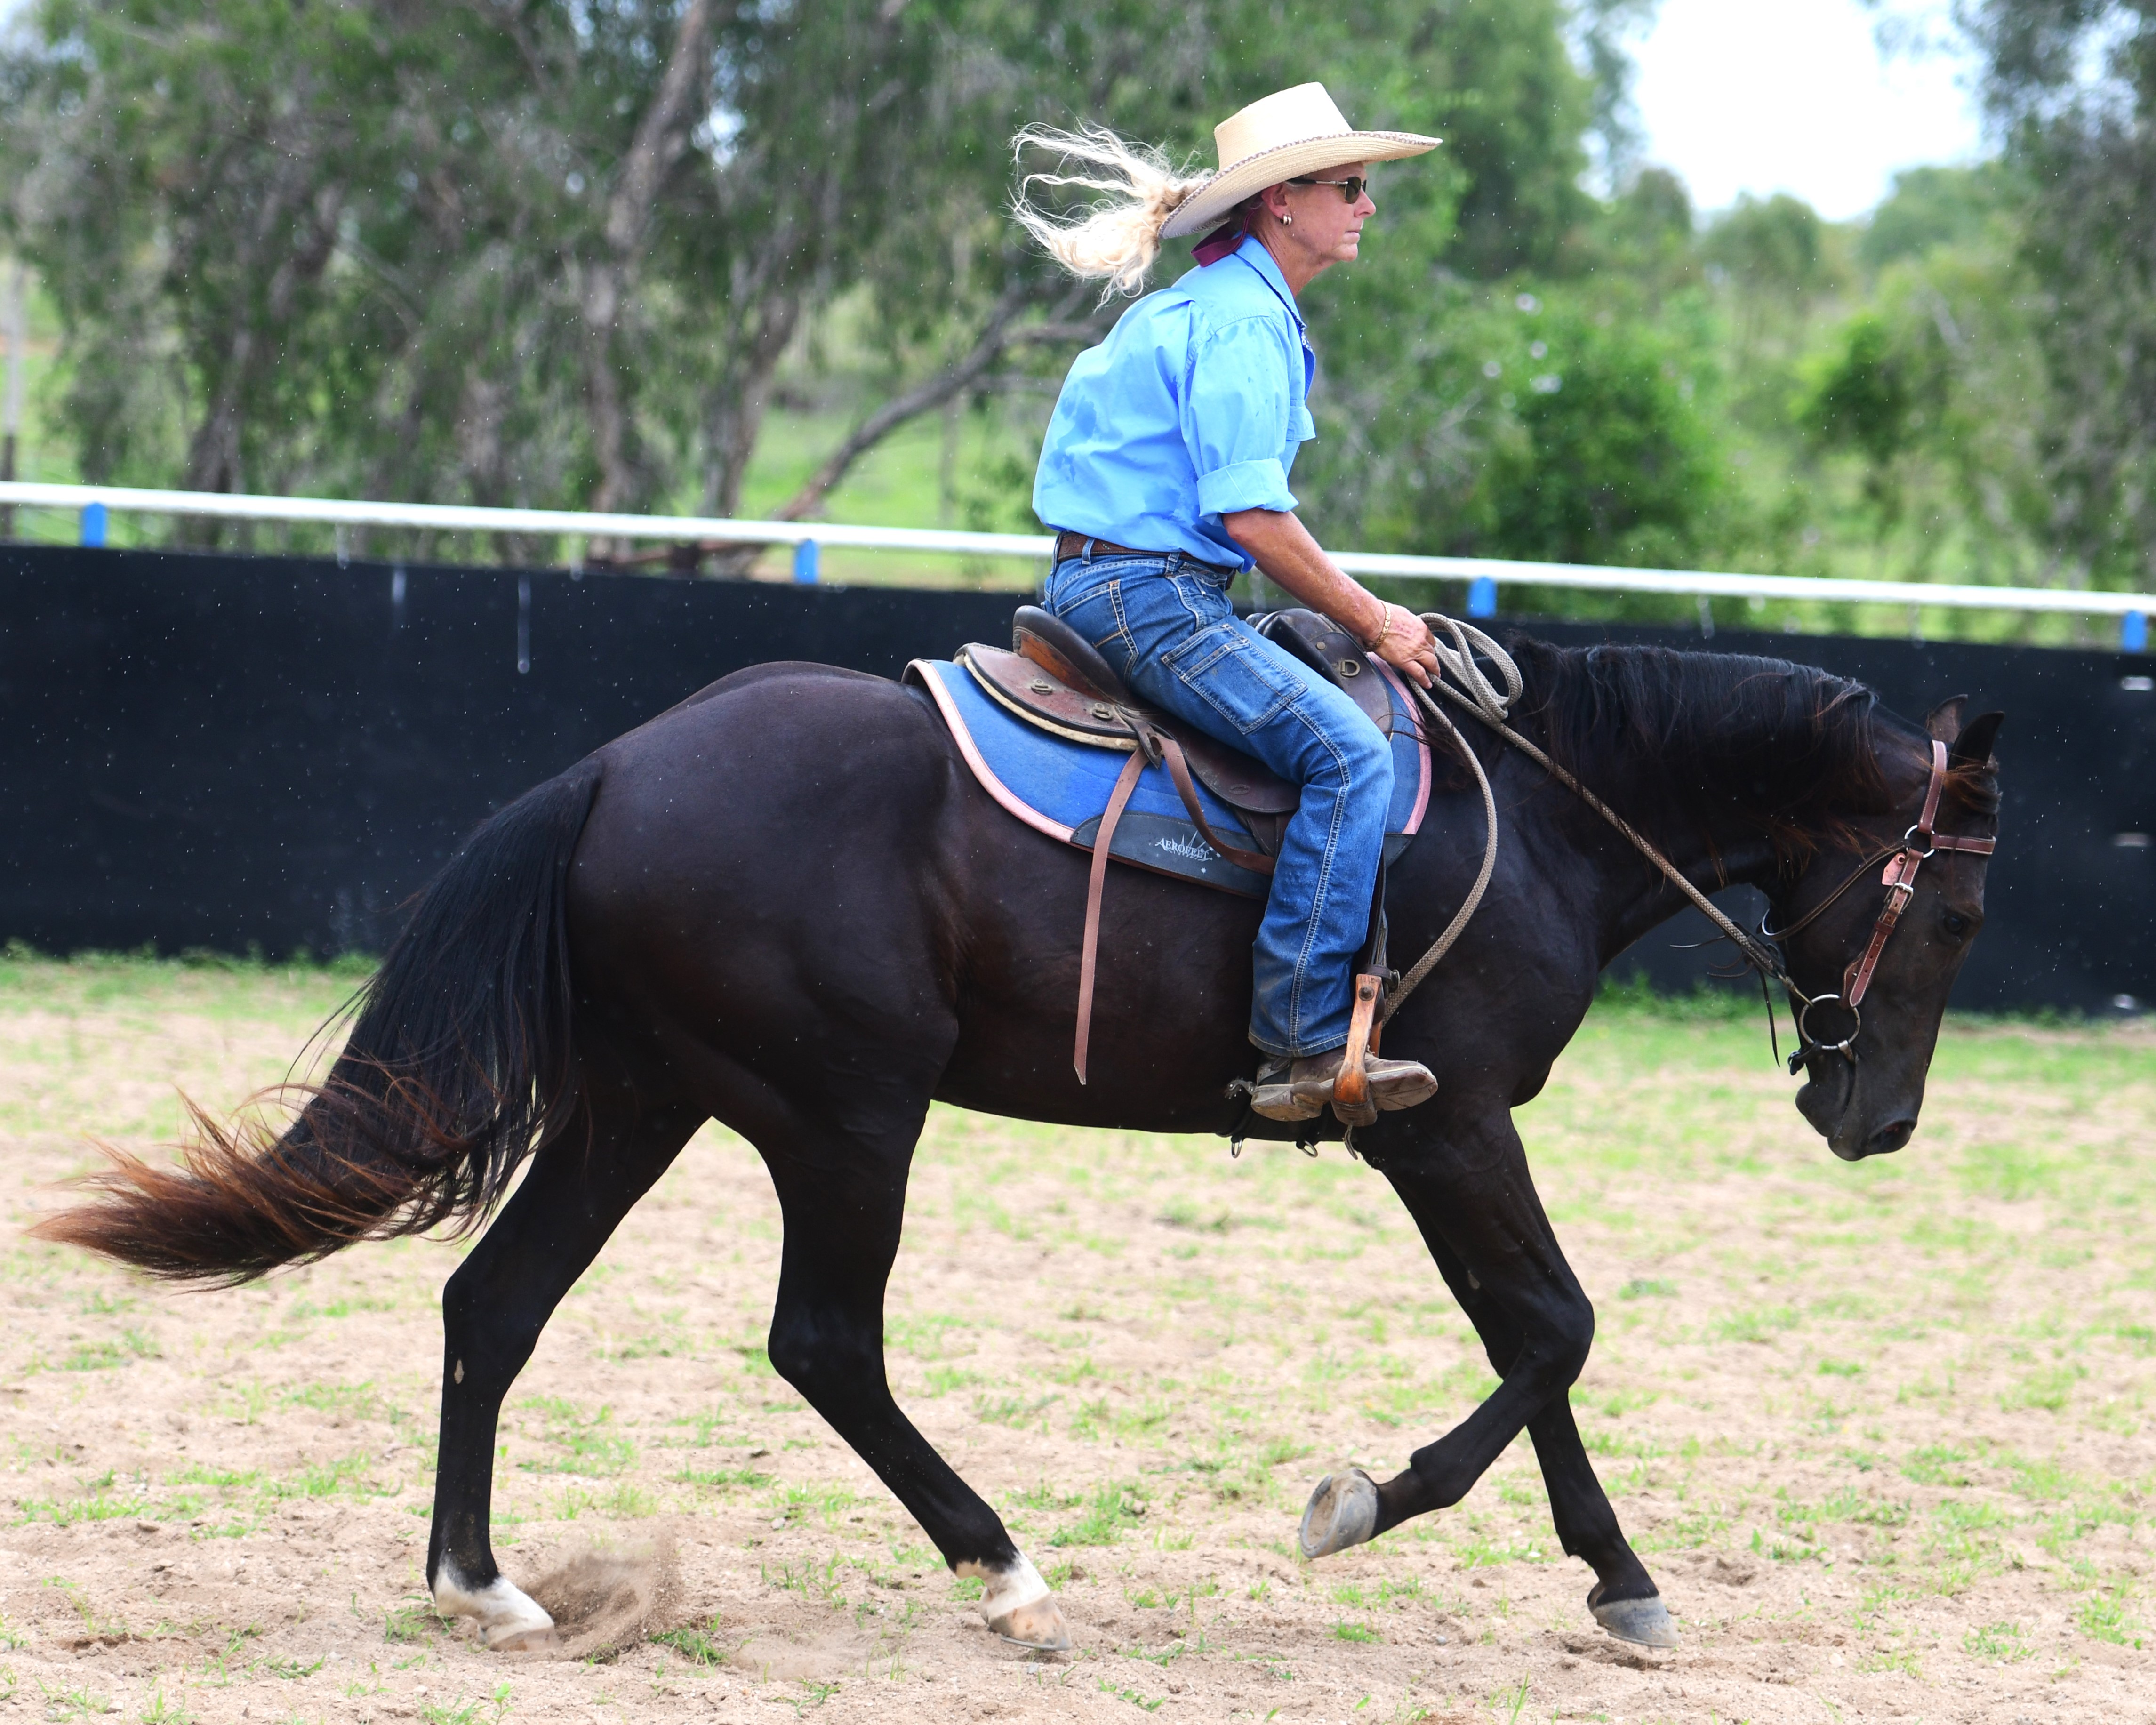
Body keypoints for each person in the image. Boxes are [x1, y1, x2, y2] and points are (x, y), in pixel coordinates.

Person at [1018, 84, 1447, 1123]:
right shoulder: (1245, 323)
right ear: (1282, 202)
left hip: (1109, 581)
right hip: (1150, 596)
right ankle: (1301, 1041)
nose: (1367, 205)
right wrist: (1377, 621)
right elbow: (1252, 519)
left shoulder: (1203, 305)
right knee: (1351, 758)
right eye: (1349, 186)